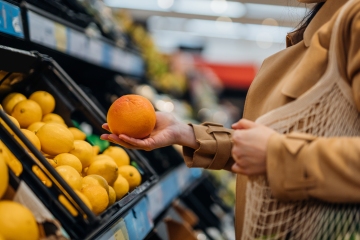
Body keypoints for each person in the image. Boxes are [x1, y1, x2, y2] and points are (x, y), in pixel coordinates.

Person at [101, 0, 360, 239]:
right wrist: (187, 134)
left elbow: (278, 152)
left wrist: (277, 154)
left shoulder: (354, 23)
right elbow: (275, 147)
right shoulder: (324, 29)